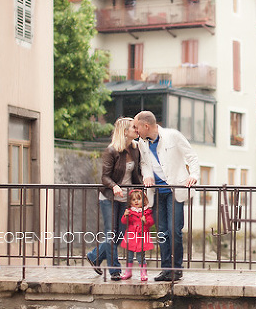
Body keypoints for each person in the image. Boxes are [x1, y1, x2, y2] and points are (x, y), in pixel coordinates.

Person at [134, 110, 199, 282]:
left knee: (174, 231)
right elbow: (144, 163)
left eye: (137, 126)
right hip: (157, 193)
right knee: (162, 232)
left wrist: (193, 175)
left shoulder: (173, 136)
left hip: (174, 191)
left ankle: (176, 269)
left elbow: (191, 157)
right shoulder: (142, 142)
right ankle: (165, 270)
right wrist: (147, 174)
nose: (135, 130)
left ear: (146, 126)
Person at [85, 117, 143, 281]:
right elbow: (104, 177)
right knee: (111, 234)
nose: (136, 129)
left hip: (126, 198)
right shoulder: (111, 151)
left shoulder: (135, 149)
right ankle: (115, 270)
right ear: (125, 131)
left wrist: (143, 187)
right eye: (134, 127)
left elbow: (136, 174)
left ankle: (95, 255)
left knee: (119, 235)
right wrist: (114, 186)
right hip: (109, 197)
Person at [120, 189, 155, 281]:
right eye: (133, 200)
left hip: (141, 237)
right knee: (129, 255)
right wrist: (125, 216)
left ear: (143, 200)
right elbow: (124, 222)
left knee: (141, 256)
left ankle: (143, 272)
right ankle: (128, 271)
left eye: (138, 199)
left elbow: (151, 222)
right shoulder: (129, 211)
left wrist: (145, 221)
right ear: (130, 201)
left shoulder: (147, 212)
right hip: (131, 236)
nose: (136, 201)